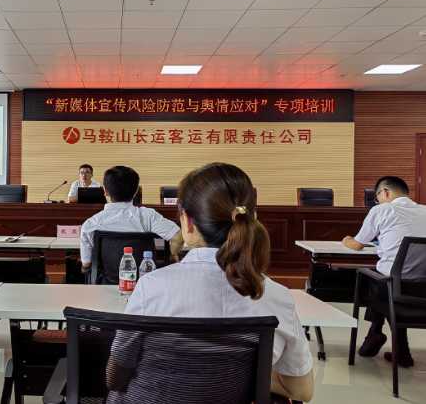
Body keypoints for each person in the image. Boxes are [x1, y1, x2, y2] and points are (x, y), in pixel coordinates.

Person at [107, 163, 314, 404]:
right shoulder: (277, 296)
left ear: (188, 222)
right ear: (253, 217)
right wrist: (245, 375)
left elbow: (115, 378)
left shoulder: (150, 287)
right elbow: (302, 391)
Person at [342, 176, 426, 367]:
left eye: (377, 197)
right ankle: (396, 347)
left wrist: (346, 239)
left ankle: (376, 330)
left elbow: (356, 245)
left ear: (384, 192)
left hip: (394, 288)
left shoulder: (382, 210)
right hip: (423, 289)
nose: (378, 201)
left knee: (377, 277)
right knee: (385, 279)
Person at [80, 166, 184, 270]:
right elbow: (179, 237)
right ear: (135, 192)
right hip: (144, 278)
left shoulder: (90, 225)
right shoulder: (148, 216)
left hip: (107, 279)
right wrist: (172, 254)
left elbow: (87, 264)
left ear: (105, 190)